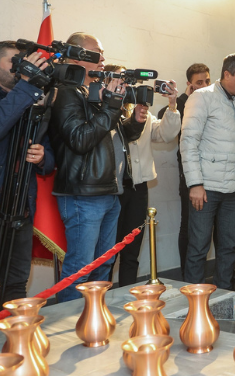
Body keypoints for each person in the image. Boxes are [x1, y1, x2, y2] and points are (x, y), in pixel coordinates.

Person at [49, 33, 144, 302]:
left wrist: (133, 122)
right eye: (95, 54)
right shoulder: (67, 92)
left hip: (107, 190)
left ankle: (96, 318)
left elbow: (106, 136)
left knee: (103, 266)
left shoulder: (89, 91)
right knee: (80, 268)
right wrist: (112, 105)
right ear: (75, 56)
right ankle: (69, 323)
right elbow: (81, 140)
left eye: (102, 53)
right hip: (83, 193)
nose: (103, 59)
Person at [0, 41, 54, 322]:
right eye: (14, 62)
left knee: (16, 282)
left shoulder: (31, 99)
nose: (21, 68)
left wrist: (42, 157)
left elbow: (50, 156)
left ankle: (12, 345)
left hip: (20, 207)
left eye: (23, 62)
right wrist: (27, 85)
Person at [180, 52, 235, 290]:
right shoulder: (202, 97)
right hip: (206, 188)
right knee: (198, 247)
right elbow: (188, 142)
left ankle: (223, 300)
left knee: (228, 247)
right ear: (227, 74)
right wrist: (194, 184)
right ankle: (193, 304)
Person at [107, 64, 180, 287]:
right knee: (109, 252)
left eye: (128, 82)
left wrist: (172, 104)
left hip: (137, 188)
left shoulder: (142, 112)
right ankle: (103, 299)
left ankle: (127, 295)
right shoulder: (104, 111)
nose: (126, 86)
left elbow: (166, 134)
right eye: (121, 81)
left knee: (132, 250)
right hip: (112, 190)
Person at [158, 62, 211, 277]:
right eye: (199, 82)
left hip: (213, 171)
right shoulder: (183, 102)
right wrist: (183, 99)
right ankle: (186, 275)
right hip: (189, 173)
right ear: (190, 84)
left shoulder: (213, 98)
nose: (204, 85)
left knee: (210, 227)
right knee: (189, 225)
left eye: (207, 81)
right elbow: (164, 115)